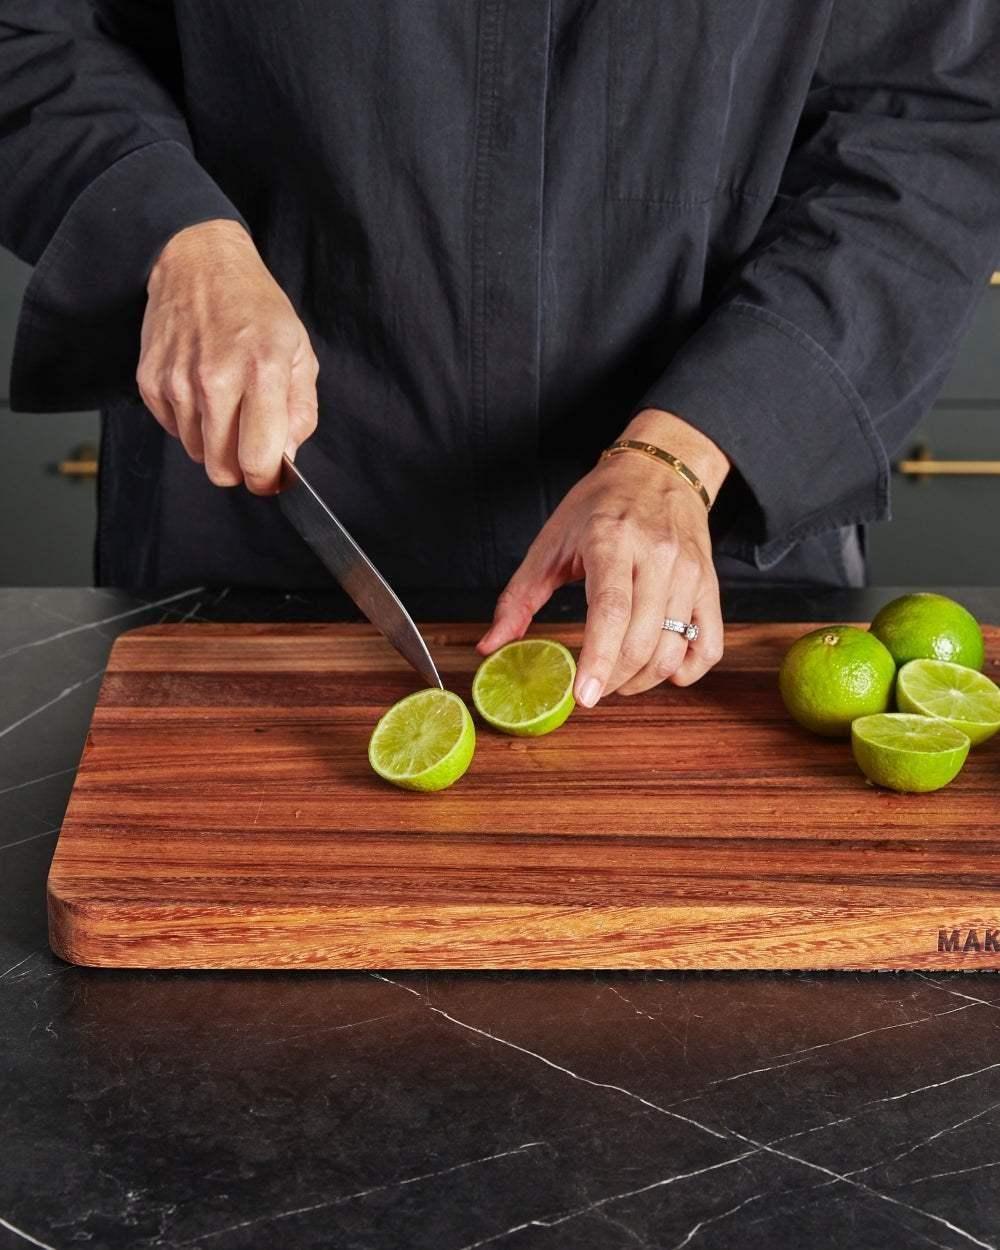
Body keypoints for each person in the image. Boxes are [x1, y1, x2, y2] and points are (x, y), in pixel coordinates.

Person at [1, 2, 998, 709]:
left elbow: (931, 121)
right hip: (248, 534)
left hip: (711, 556)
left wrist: (691, 447)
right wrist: (175, 237)